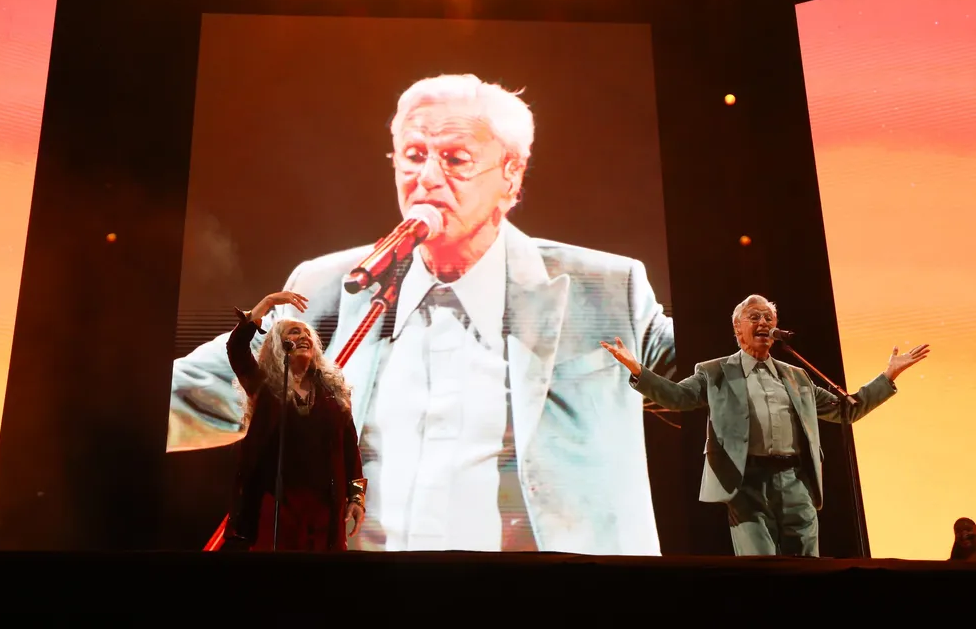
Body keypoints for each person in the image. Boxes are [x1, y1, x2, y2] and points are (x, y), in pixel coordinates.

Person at [168, 73, 676, 555]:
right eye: (413, 156)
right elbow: (188, 395)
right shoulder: (329, 288)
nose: (426, 178)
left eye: (455, 159)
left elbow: (709, 380)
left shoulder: (607, 289)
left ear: (511, 174)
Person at [601, 293, 930, 557]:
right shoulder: (715, 372)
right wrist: (638, 370)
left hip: (795, 482)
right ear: (737, 328)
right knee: (761, 570)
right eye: (754, 317)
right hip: (746, 485)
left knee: (807, 567)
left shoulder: (796, 376)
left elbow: (847, 410)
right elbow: (677, 397)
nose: (763, 322)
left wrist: (888, 376)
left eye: (769, 318)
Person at [220, 289, 366, 551]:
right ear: (279, 345)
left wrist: (356, 496)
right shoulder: (266, 387)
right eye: (294, 333)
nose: (303, 337)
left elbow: (349, 448)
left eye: (307, 333)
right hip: (277, 503)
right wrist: (266, 304)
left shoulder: (333, 393)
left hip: (324, 506)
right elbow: (237, 349)